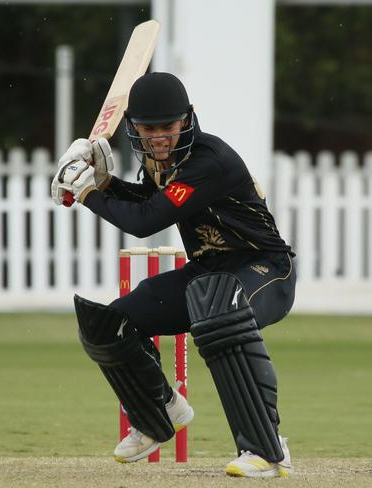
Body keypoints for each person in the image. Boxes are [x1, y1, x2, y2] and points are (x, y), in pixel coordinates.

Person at [51, 72, 296, 478]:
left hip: (266, 269)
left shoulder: (208, 161)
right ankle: (159, 411)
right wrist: (104, 182)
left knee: (220, 311)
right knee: (108, 324)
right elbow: (152, 199)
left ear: (187, 119)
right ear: (135, 127)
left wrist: (89, 193)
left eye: (167, 126)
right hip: (207, 274)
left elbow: (147, 221)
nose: (159, 137)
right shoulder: (161, 164)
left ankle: (267, 451)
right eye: (149, 129)